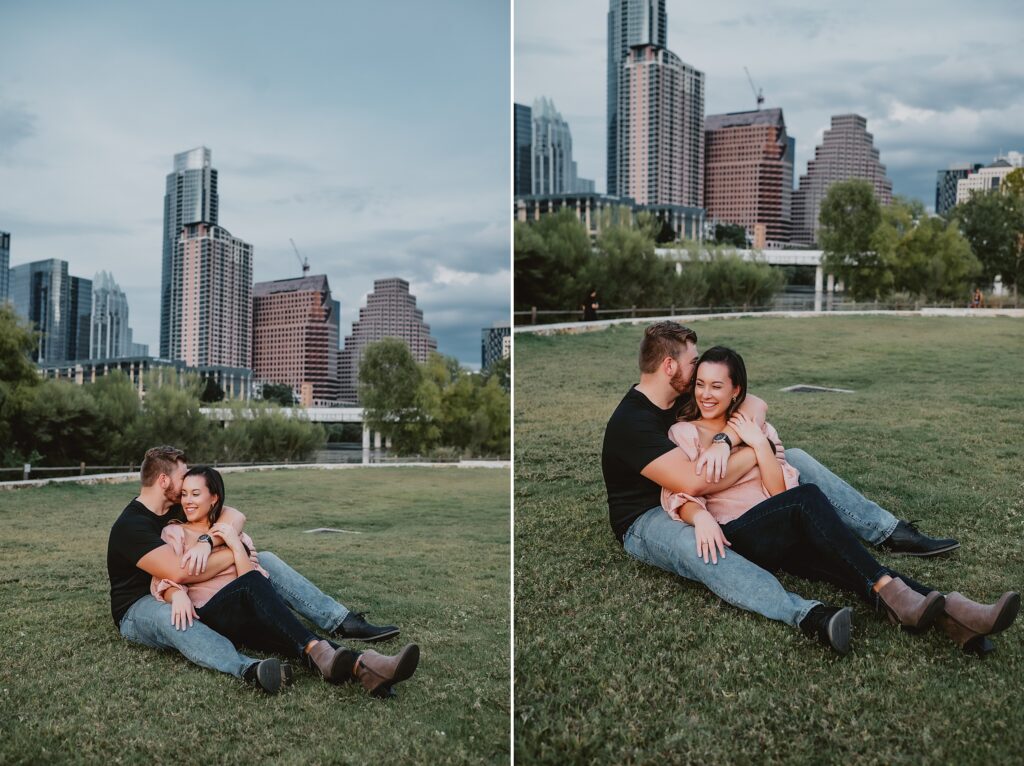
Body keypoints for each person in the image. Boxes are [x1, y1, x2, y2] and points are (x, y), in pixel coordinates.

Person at [602, 322, 962, 654]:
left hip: (707, 486)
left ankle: (889, 534)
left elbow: (754, 402)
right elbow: (691, 483)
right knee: (698, 546)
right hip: (647, 516)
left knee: (796, 458)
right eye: (693, 363)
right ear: (669, 366)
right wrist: (757, 451)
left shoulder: (684, 394)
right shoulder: (631, 422)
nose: (699, 374)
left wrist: (726, 441)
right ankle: (806, 614)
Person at [660, 346, 1019, 655]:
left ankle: (958, 619)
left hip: (782, 530)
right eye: (701, 384)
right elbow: (678, 492)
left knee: (851, 563)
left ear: (735, 389)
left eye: (717, 386)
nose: (706, 394)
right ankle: (901, 595)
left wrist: (757, 444)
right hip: (742, 535)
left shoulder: (758, 428)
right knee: (808, 499)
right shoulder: (684, 432)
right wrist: (700, 517)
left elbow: (779, 493)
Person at [107, 446, 416, 694]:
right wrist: (234, 553)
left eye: (194, 490)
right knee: (176, 617)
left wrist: (207, 540)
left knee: (265, 569)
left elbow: (233, 515)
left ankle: (353, 646)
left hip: (211, 588)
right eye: (183, 478)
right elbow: (179, 573)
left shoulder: (179, 504)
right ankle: (249, 667)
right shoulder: (133, 525)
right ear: (164, 481)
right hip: (140, 603)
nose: (188, 488)